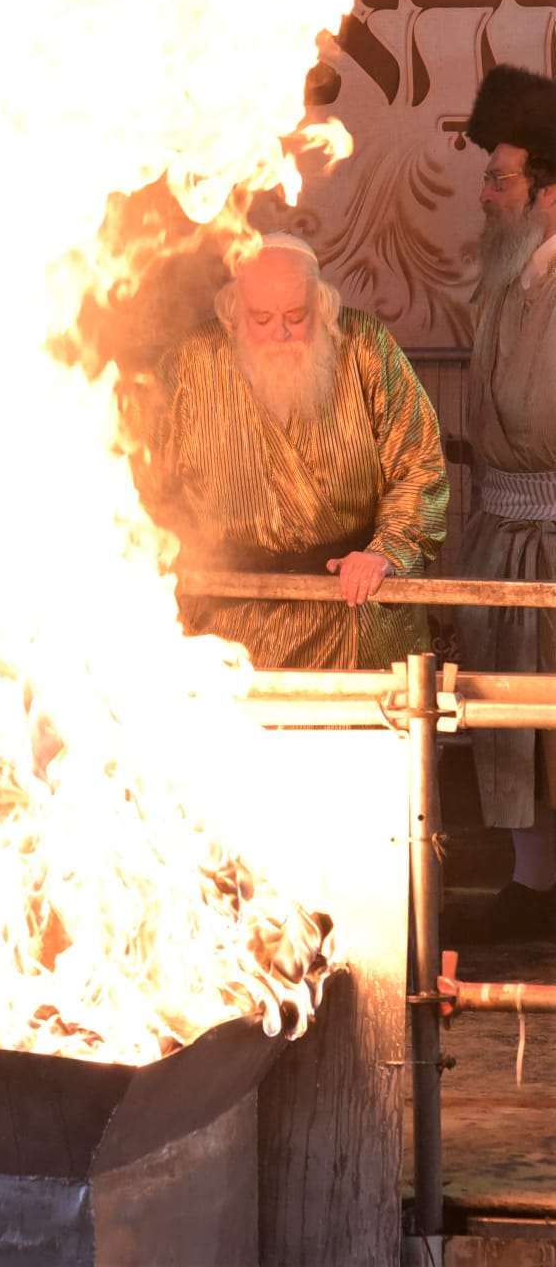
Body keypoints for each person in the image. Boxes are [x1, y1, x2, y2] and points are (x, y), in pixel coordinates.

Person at [149, 233, 449, 669]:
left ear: (323, 306)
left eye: (295, 315)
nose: (280, 332)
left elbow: (419, 465)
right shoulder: (190, 364)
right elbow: (145, 483)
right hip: (228, 623)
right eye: (261, 318)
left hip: (353, 612)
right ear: (233, 312)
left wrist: (385, 552)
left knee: (361, 735)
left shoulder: (366, 347)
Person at [453, 63, 556, 942]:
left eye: (500, 179)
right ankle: (533, 878)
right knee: (506, 709)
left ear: (548, 193)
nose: (483, 193)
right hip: (498, 529)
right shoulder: (501, 276)